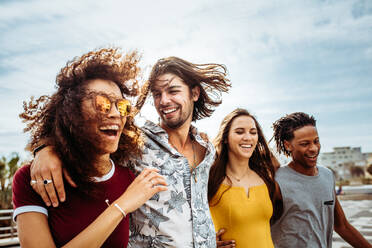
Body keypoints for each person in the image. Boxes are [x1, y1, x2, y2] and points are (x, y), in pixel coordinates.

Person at [28, 56, 231, 247]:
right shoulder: (134, 142)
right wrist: (46, 148)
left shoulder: (208, 149)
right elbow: (85, 134)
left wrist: (204, 238)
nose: (164, 101)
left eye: (173, 91)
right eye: (157, 94)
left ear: (194, 93)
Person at [13, 48, 168, 247]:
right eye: (101, 103)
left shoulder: (129, 177)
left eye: (122, 107)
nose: (115, 114)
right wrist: (121, 206)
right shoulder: (33, 179)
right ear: (72, 111)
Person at [271, 112, 372, 248]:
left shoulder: (327, 175)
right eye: (304, 144)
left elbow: (342, 225)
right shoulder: (276, 181)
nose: (313, 148)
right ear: (288, 145)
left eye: (316, 141)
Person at [208, 108, 281, 248]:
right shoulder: (210, 179)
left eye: (253, 132)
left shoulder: (266, 178)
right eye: (239, 132)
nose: (248, 137)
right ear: (225, 138)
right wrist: (206, 243)